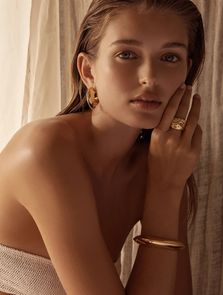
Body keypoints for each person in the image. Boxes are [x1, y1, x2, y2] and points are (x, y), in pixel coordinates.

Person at [0, 0, 205, 294]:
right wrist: (164, 190)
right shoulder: (44, 150)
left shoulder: (165, 169)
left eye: (170, 58)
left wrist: (167, 189)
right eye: (126, 54)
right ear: (88, 71)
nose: (150, 77)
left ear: (186, 72)